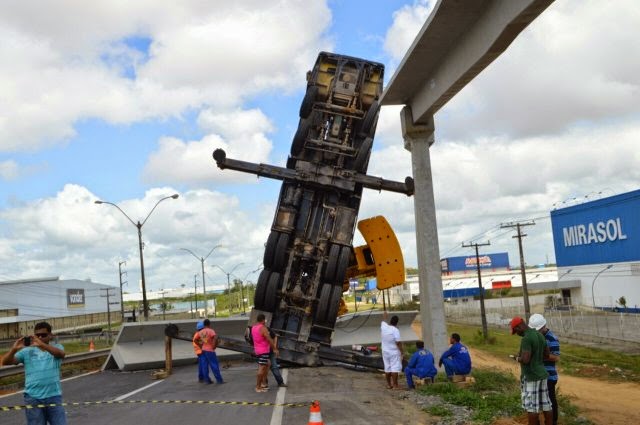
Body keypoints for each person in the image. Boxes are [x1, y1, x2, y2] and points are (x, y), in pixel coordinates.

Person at [1, 322, 67, 425]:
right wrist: (13, 350)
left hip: (53, 396)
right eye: (37, 335)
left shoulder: (57, 347)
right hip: (33, 398)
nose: (40, 337)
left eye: (43, 335)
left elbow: (61, 354)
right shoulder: (26, 351)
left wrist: (42, 345)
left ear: (50, 335)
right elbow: (6, 361)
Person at [511, 316, 553, 425]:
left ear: (519, 326)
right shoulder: (540, 335)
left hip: (531, 376)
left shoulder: (526, 338)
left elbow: (525, 360)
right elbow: (547, 355)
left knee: (532, 407)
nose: (517, 333)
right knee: (546, 405)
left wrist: (515, 358)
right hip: (542, 374)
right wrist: (536, 359)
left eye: (516, 331)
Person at [529, 313, 560, 425]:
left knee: (550, 401)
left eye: (538, 329)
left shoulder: (552, 338)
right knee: (536, 401)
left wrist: (540, 354)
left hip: (548, 376)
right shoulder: (535, 336)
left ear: (543, 326)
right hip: (536, 375)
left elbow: (556, 357)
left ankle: (553, 421)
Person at [251, 313, 278, 393]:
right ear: (263, 320)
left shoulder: (253, 328)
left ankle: (263, 384)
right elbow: (269, 339)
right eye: (265, 320)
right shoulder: (263, 328)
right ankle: (258, 386)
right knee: (261, 368)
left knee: (268, 363)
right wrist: (275, 348)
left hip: (257, 350)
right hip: (263, 351)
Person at [193, 319, 224, 384]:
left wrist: (201, 345)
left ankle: (207, 381)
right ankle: (219, 380)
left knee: (204, 366)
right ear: (209, 324)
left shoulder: (200, 332)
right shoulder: (211, 331)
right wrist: (214, 346)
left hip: (203, 350)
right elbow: (215, 338)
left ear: (204, 325)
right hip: (210, 350)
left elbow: (195, 340)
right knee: (214, 365)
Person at [380, 311, 403, 389]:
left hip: (385, 351)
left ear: (390, 321)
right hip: (393, 352)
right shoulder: (396, 330)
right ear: (397, 322)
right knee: (394, 368)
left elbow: (383, 320)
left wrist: (385, 315)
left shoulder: (384, 326)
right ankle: (395, 385)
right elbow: (398, 342)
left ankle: (389, 384)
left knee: (387, 368)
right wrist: (402, 352)